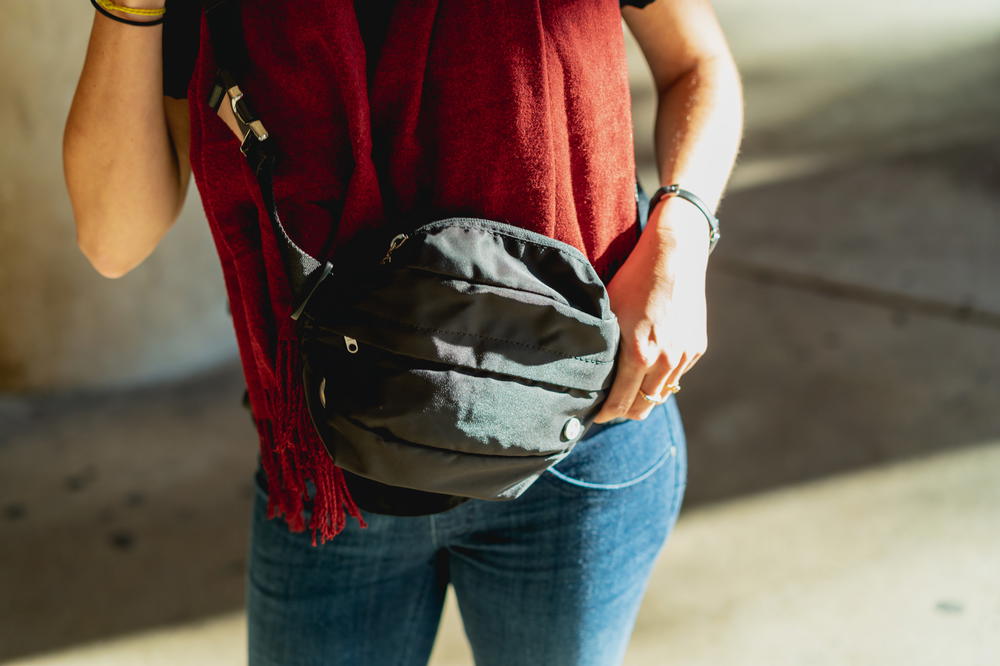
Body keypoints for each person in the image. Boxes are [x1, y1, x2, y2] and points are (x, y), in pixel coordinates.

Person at [63, 0, 743, 664]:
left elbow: (696, 62)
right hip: (332, 464)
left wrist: (680, 241)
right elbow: (112, 236)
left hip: (574, 440)